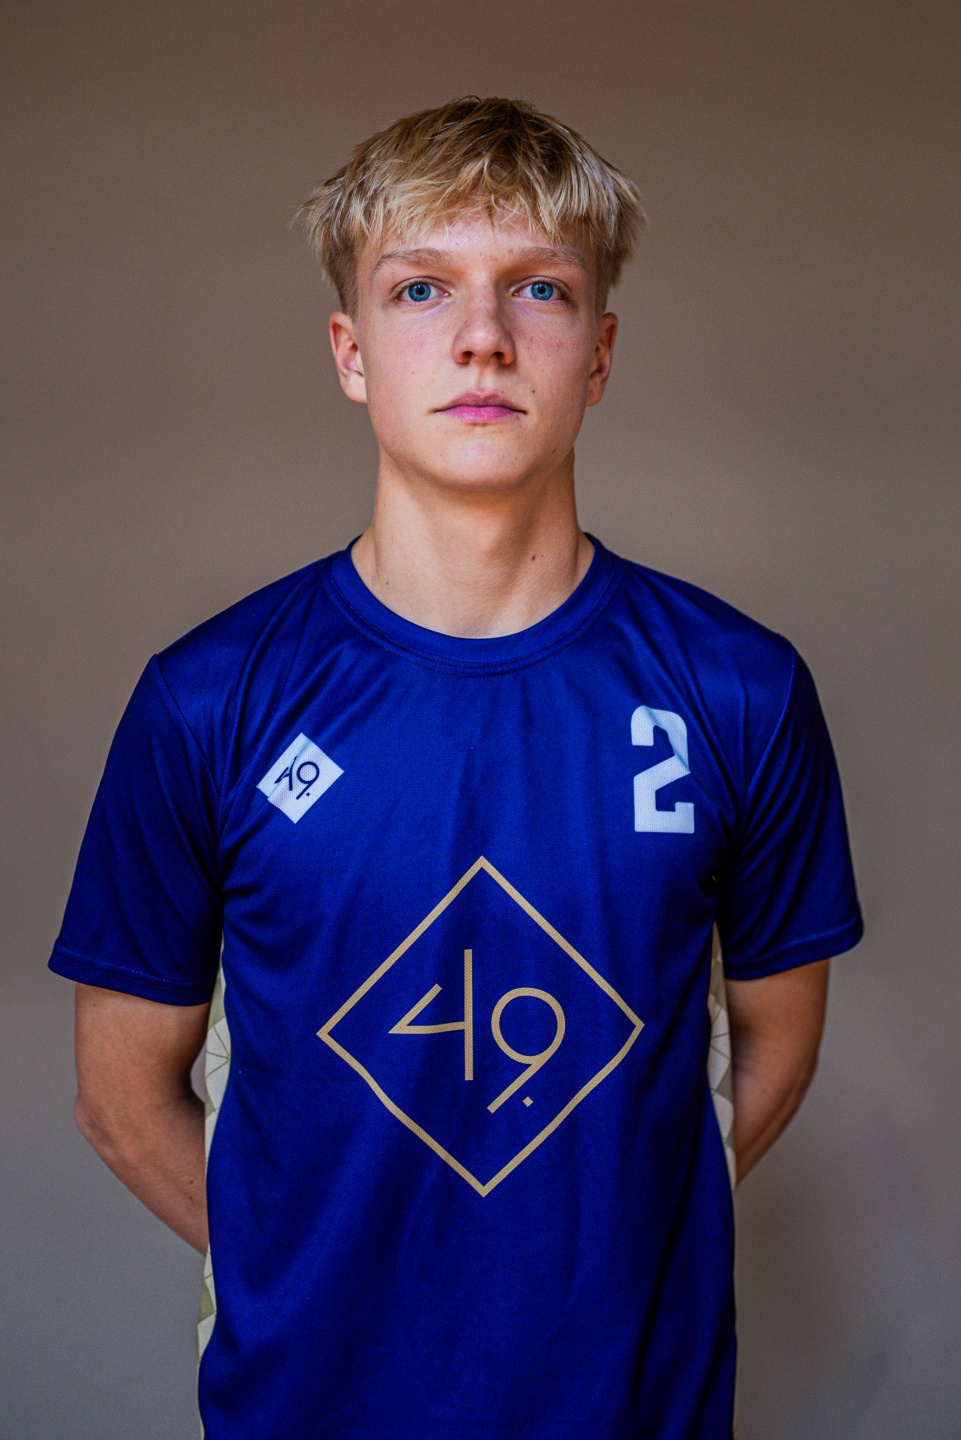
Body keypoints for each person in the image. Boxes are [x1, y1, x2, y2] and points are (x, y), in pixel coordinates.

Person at [50, 96, 863, 1439]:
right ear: (350, 352)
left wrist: (601, 1259)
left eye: (539, 289)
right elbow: (118, 1099)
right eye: (420, 289)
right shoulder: (206, 701)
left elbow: (775, 1047)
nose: (483, 335)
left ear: (598, 354)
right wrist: (323, 1277)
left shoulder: (738, 690)